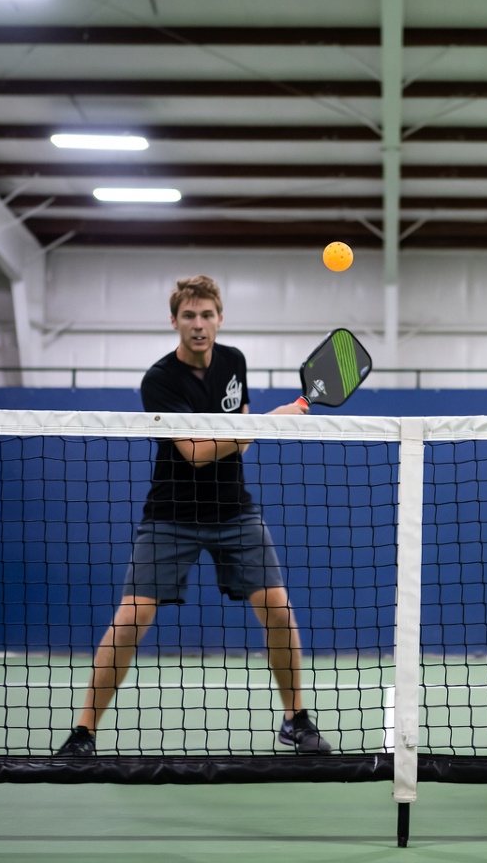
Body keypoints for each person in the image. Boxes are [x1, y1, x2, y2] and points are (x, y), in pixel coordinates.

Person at [56, 274, 331, 756]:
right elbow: (196, 451)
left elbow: (240, 423)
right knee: (132, 616)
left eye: (207, 315)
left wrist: (256, 426)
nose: (199, 325)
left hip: (234, 509)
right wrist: (269, 424)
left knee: (278, 608)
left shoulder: (234, 362)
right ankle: (84, 732)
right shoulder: (159, 380)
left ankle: (295, 719)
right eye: (189, 316)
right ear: (174, 321)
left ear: (220, 319)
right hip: (172, 512)